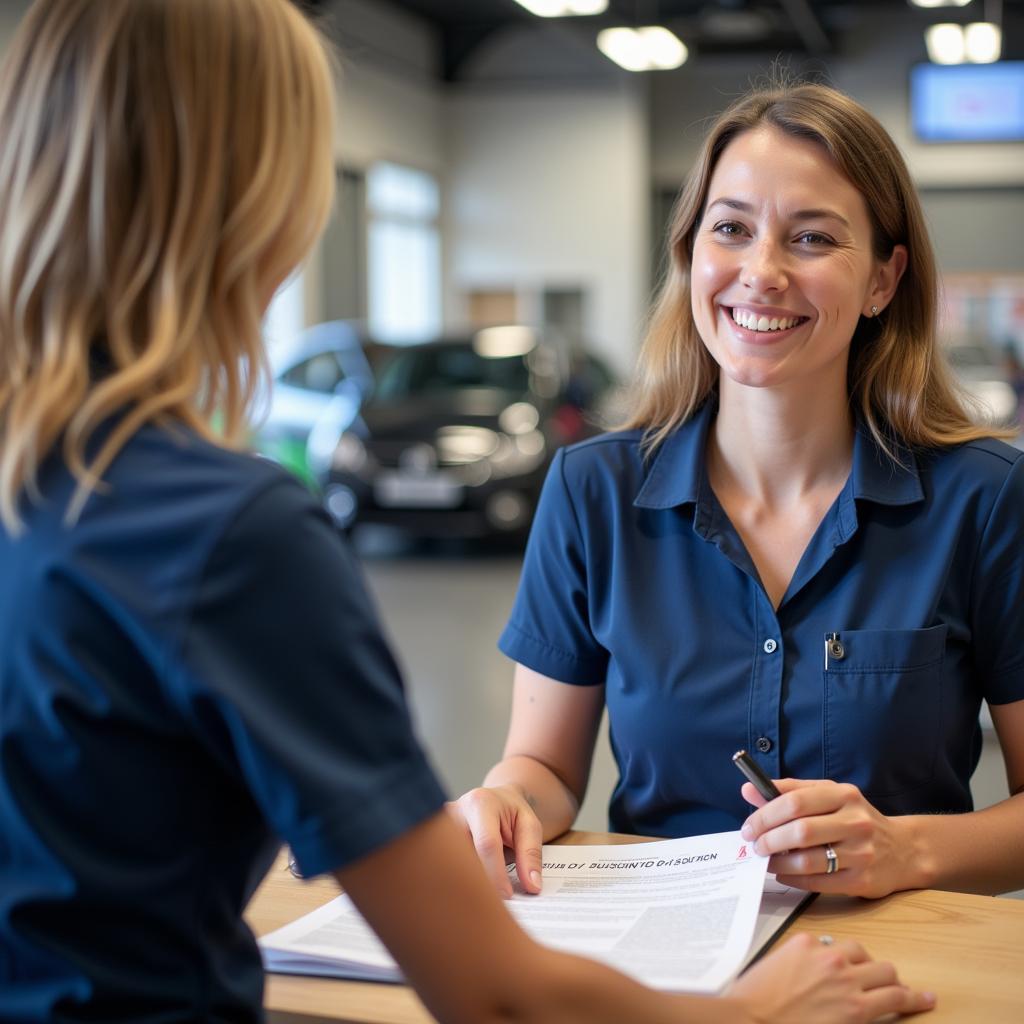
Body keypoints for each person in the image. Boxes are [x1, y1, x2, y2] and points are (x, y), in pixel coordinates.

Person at [0, 3, 934, 1023]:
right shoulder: (228, 536)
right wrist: (753, 1015)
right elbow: (492, 990)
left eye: (810, 237)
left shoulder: (53, 488)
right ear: (257, 197)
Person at [452, 80, 1024, 904]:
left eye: (813, 238)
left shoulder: (986, 502)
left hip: (889, 968)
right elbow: (542, 767)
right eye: (731, 228)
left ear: (883, 281)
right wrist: (507, 800)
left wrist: (908, 850)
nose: (761, 272)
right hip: (658, 963)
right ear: (691, 253)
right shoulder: (593, 491)